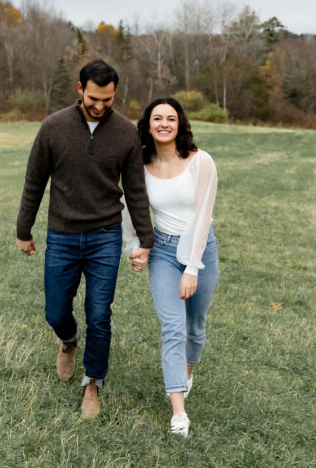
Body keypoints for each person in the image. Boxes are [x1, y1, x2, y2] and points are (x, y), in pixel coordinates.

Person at [15, 59, 155, 419]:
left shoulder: (125, 133)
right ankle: (68, 340)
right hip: (62, 234)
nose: (100, 106)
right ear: (80, 90)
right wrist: (23, 230)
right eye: (94, 98)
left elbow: (136, 190)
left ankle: (92, 382)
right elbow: (34, 181)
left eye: (107, 100)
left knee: (99, 314)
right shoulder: (53, 128)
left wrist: (145, 238)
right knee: (56, 311)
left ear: (115, 94)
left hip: (105, 236)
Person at [123, 97, 219, 437]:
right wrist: (136, 247)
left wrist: (193, 266)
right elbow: (130, 207)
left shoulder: (201, 162)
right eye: (157, 118)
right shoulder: (140, 164)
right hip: (163, 251)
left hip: (200, 249)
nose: (164, 123)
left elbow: (203, 215)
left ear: (180, 125)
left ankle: (188, 374)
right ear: (148, 125)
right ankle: (179, 413)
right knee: (173, 327)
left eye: (171, 118)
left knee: (195, 326)